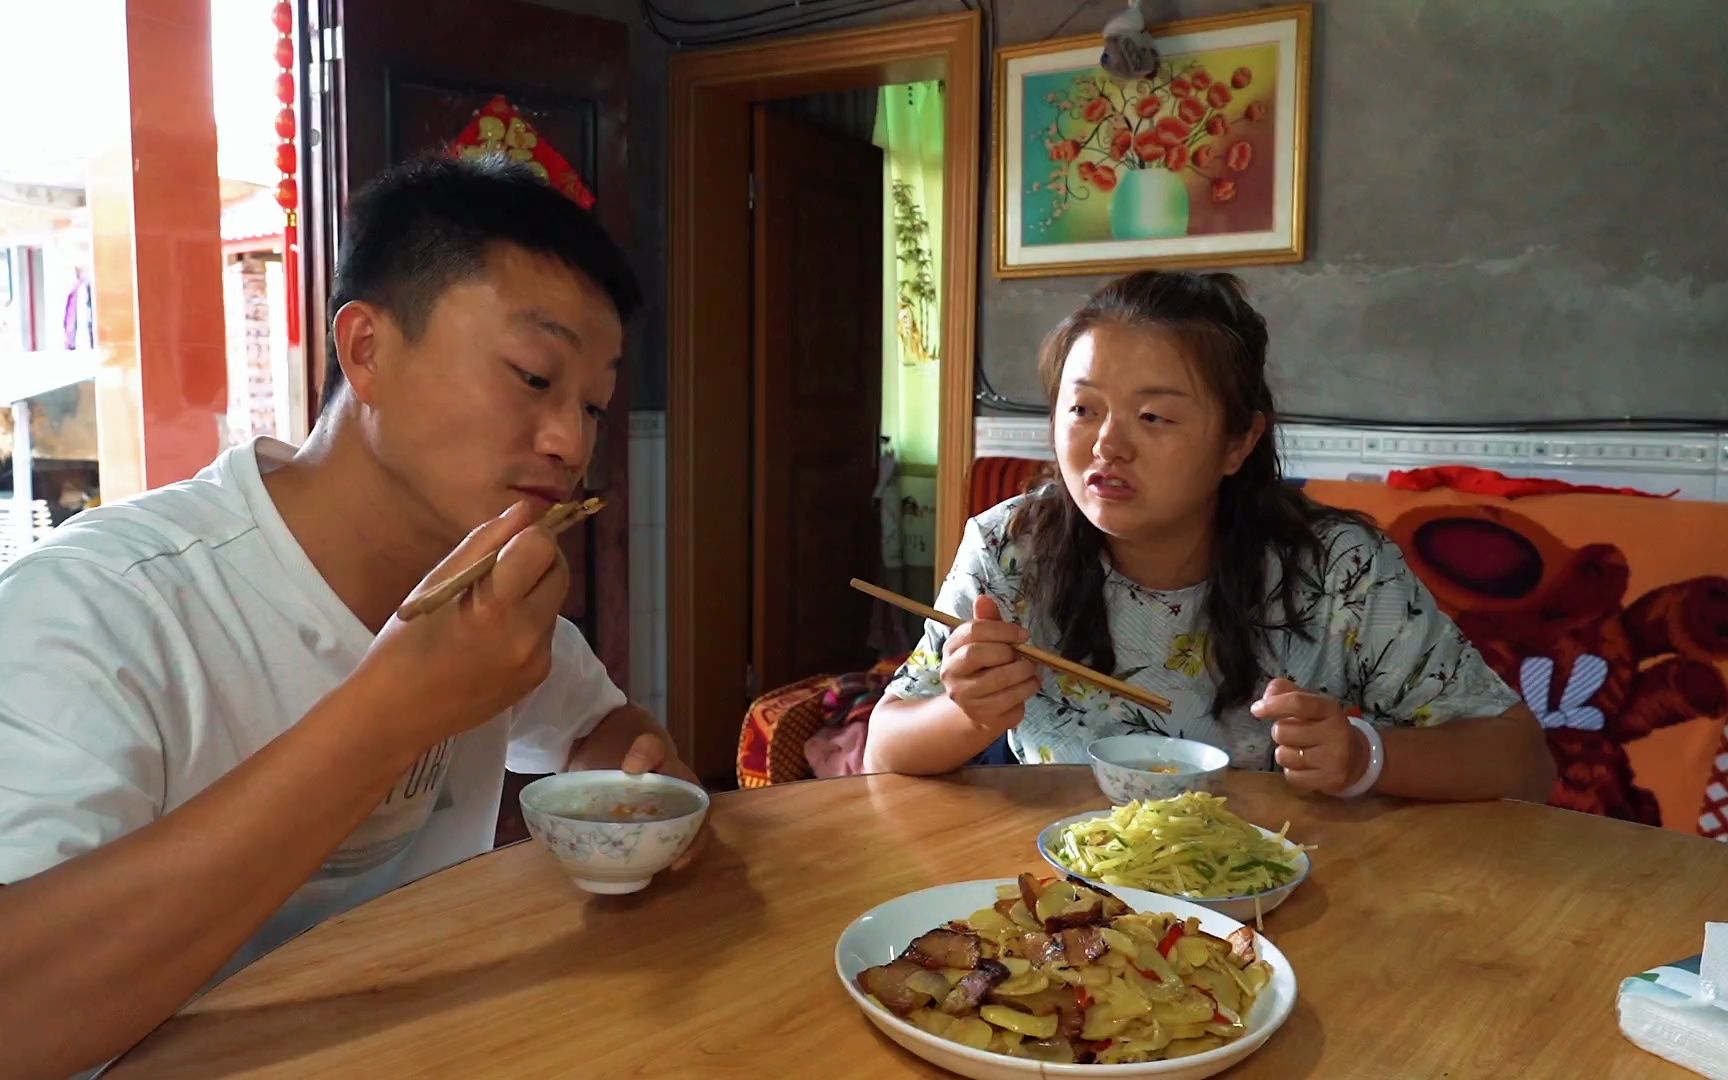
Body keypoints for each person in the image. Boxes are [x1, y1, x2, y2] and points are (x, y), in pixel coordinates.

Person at [0, 155, 697, 1078]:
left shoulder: (485, 599)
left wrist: (629, 787)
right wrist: (399, 705)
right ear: (366, 350)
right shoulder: (105, 607)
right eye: (534, 377)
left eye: (595, 404)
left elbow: (606, 731)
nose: (571, 440)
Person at [864, 270, 1555, 805]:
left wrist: (1361, 756)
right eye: (1082, 408)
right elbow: (881, 753)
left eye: (1155, 417)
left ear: (1238, 442)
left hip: (1264, 903)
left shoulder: (1337, 570)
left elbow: (1523, 763)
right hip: (1058, 897)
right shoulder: (1009, 549)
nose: (1107, 444)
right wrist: (966, 714)